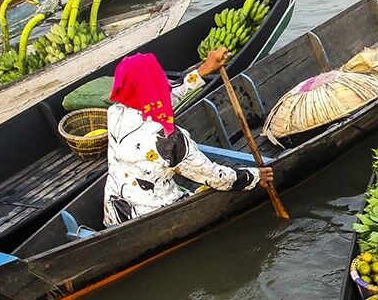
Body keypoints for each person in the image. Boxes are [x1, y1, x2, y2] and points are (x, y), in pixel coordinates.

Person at [102, 52, 267, 226]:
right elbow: (212, 175)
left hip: (115, 214)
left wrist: (202, 71)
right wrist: (253, 176)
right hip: (158, 217)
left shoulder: (115, 112)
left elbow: (160, 100)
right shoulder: (168, 140)